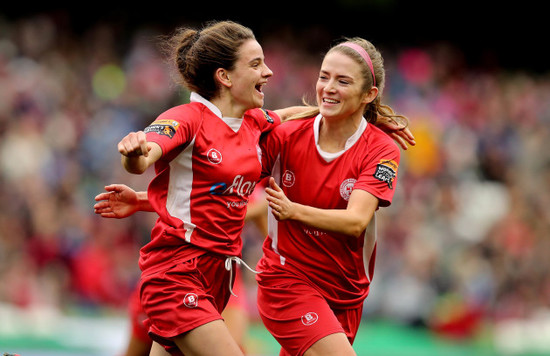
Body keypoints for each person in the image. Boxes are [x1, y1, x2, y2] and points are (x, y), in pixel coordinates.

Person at [113, 20, 307, 356]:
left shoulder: (252, 122)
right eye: (256, 64)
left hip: (219, 277)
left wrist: (351, 115)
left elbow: (288, 117)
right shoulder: (188, 117)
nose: (270, 72)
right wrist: (135, 155)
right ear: (225, 77)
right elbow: (145, 156)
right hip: (177, 274)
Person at [254, 37, 407, 355]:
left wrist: (293, 210)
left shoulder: (382, 149)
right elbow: (227, 167)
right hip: (286, 279)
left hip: (345, 292)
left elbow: (355, 222)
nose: (328, 87)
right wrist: (148, 199)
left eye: (343, 81)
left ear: (369, 94)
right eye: (324, 77)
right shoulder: (285, 136)